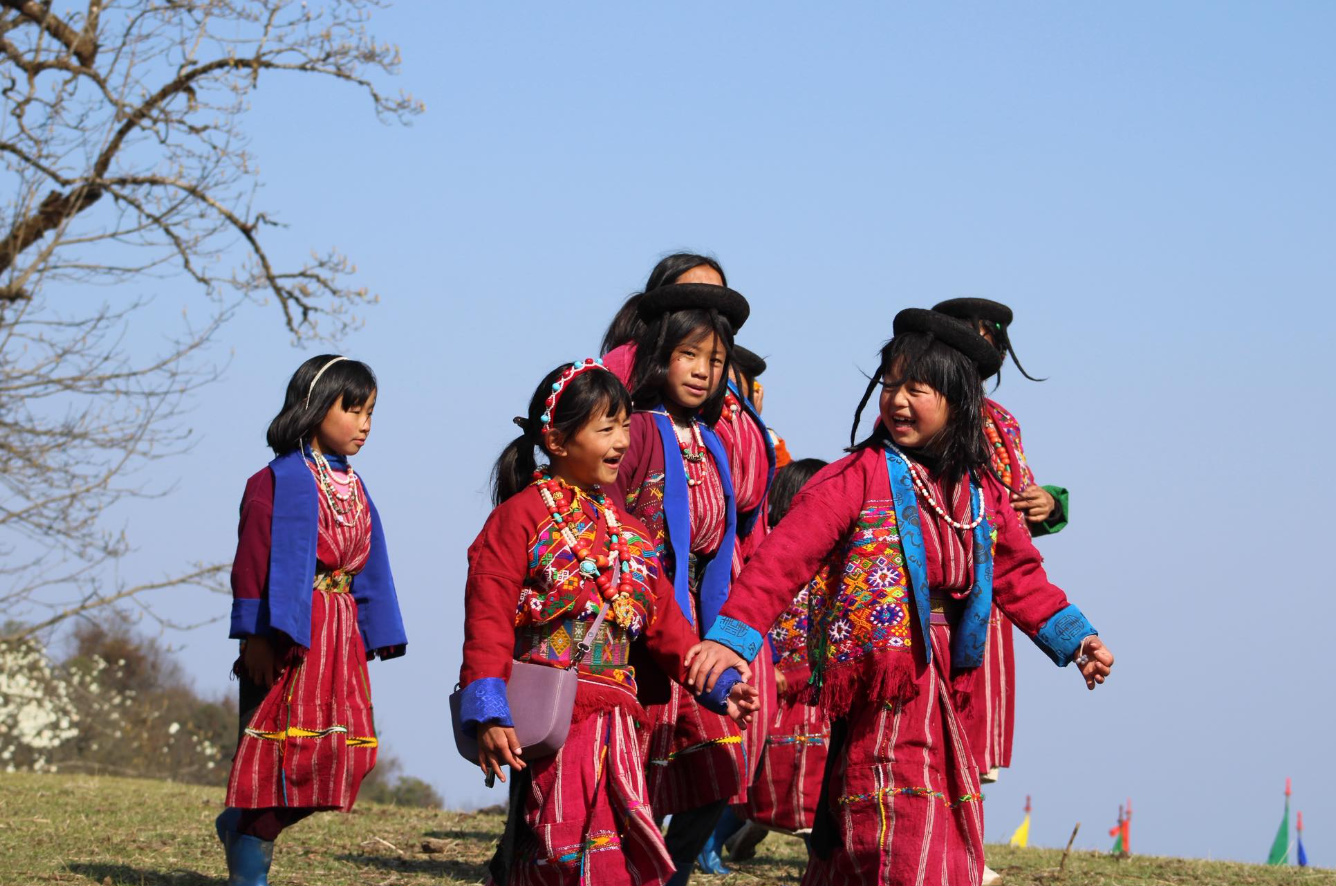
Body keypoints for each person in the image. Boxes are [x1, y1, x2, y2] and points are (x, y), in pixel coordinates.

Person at [685, 310, 1114, 886]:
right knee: (886, 810)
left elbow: (1019, 573)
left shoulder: (979, 489)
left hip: (946, 680)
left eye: (918, 388)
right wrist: (731, 637)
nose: (898, 400)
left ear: (959, 403)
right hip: (883, 681)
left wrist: (1076, 638)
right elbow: (782, 560)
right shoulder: (853, 477)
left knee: (935, 812)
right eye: (890, 385)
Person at [457, 359, 758, 886]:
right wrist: (487, 709)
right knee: (564, 849)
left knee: (612, 849)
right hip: (552, 721)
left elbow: (668, 628)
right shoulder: (519, 517)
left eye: (624, 426)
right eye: (606, 429)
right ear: (556, 440)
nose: (621, 441)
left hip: (618, 723)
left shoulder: (630, 532)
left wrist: (717, 685)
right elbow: (488, 616)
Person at [215, 355, 407, 886]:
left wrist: (375, 628)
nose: (365, 423)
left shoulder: (355, 486)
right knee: (279, 762)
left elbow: (371, 563)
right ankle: (248, 864)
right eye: (353, 409)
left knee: (342, 757)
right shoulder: (274, 481)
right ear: (316, 406)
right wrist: (255, 635)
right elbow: (251, 561)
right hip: (288, 638)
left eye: (371, 411)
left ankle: (239, 826)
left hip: (338, 640)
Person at [610, 282, 750, 886]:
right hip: (633, 622)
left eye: (715, 362)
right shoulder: (636, 431)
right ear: (661, 354)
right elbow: (608, 519)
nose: (701, 371)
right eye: (689, 355)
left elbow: (723, 543)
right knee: (627, 770)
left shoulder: (715, 442)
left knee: (717, 766)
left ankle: (672, 873)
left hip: (694, 621)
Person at [600, 252, 729, 383]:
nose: (701, 371)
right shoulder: (624, 363)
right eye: (692, 298)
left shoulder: (725, 384)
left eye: (716, 302)